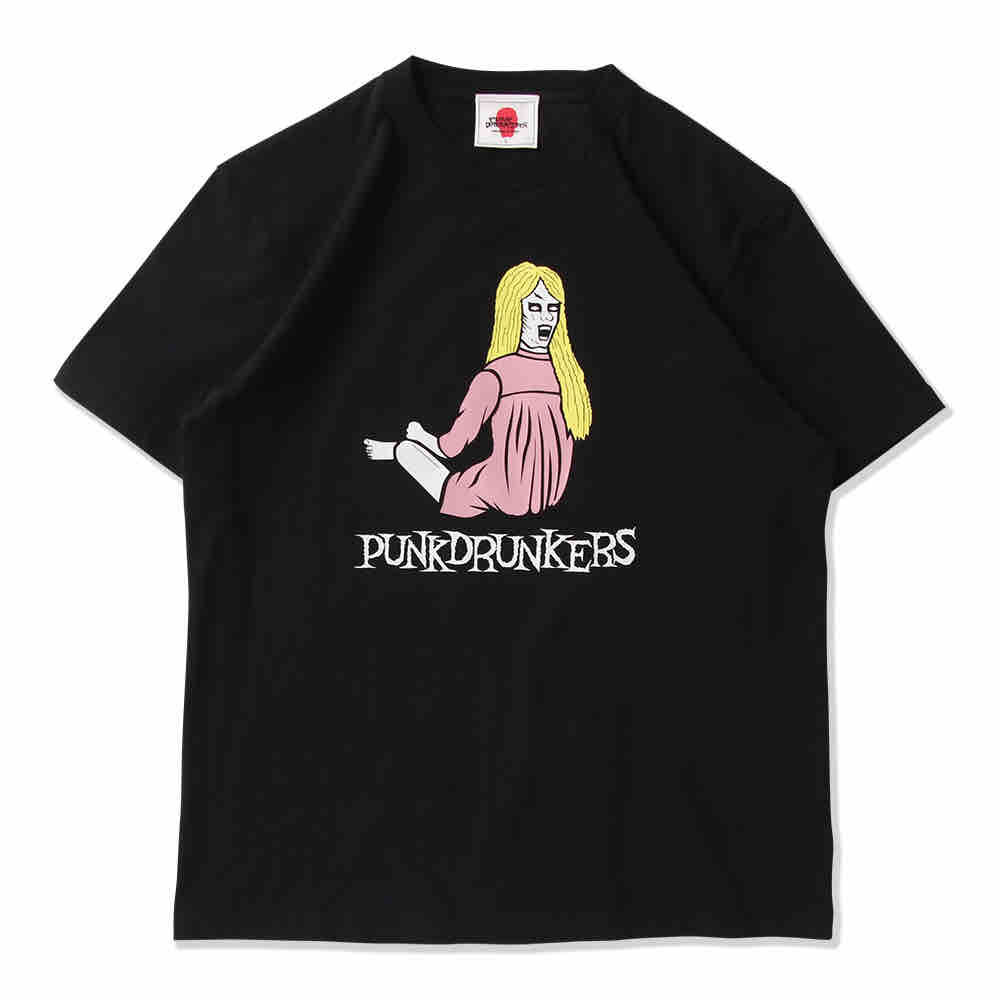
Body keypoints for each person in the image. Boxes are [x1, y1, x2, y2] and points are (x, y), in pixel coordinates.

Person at [364, 261, 592, 517]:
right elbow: (453, 447)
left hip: (506, 493)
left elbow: (449, 449)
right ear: (514, 311)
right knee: (424, 464)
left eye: (553, 308)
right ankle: (401, 449)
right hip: (503, 492)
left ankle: (400, 448)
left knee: (418, 457)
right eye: (535, 307)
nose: (546, 318)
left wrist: (421, 435)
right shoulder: (560, 376)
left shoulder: (564, 375)